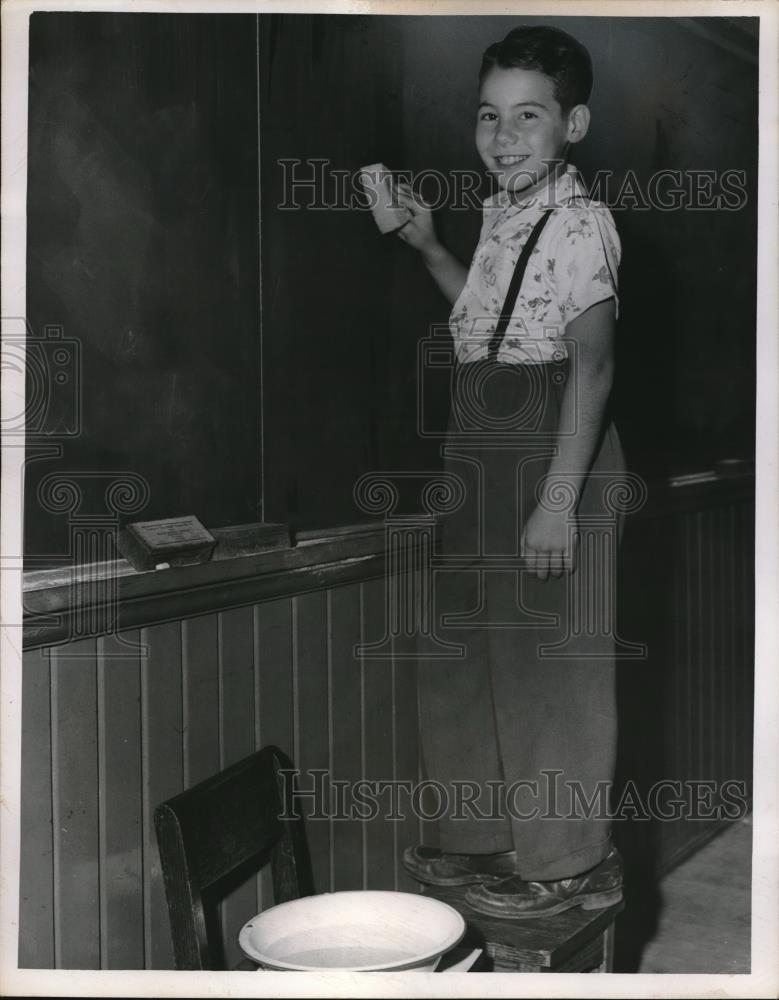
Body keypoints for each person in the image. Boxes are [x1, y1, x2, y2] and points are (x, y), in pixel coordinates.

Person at [393, 25, 627, 918]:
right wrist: (428, 247)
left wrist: (557, 505)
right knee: (465, 649)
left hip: (553, 445)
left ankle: (567, 858)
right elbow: (492, 328)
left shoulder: (579, 223)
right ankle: (480, 836)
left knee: (547, 664)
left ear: (573, 123)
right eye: (487, 116)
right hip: (482, 434)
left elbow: (590, 367)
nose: (502, 136)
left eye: (527, 116)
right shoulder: (504, 212)